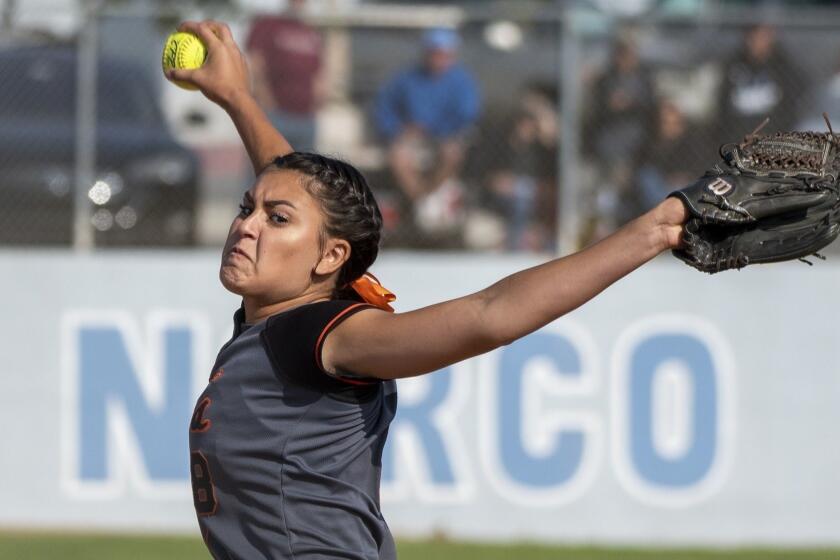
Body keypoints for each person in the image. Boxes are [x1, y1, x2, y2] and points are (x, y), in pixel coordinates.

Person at [167, 20, 687, 560]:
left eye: (275, 220)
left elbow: (490, 315)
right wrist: (236, 97)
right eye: (245, 209)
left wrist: (656, 230)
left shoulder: (321, 335)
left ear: (330, 257)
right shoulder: (278, 323)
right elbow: (287, 181)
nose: (248, 225)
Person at [373, 27, 480, 236]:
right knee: (399, 156)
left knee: (451, 153)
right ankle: (421, 200)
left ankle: (425, 200)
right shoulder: (407, 78)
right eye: (434, 53)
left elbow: (466, 115)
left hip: (443, 137)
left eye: (444, 54)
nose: (438, 59)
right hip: (411, 138)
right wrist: (399, 129)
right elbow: (383, 108)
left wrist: (434, 129)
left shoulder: (462, 81)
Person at [245, 0, 324, 152]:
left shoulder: (309, 31)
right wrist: (266, 102)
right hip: (276, 115)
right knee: (269, 170)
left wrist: (317, 102)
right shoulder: (269, 24)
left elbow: (318, 72)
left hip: (306, 118)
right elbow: (256, 63)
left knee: (305, 173)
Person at [716, 24, 799, 144]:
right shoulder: (732, 65)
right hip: (737, 132)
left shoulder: (783, 67)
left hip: (773, 131)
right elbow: (723, 104)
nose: (759, 43)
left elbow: (790, 105)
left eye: (764, 37)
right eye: (754, 38)